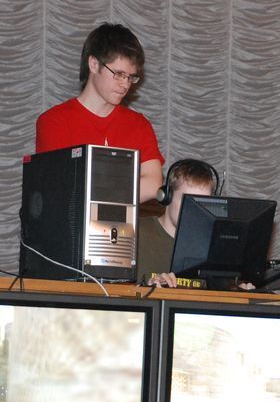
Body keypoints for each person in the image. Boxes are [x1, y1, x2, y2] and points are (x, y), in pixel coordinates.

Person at [35, 22, 164, 203]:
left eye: (130, 77)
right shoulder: (54, 121)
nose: (125, 84)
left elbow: (153, 184)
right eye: (118, 74)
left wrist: (97, 193)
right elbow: (59, 188)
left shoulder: (139, 124)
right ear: (94, 65)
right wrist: (120, 190)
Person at [136, 159, 217, 287]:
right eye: (188, 201)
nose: (194, 211)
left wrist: (237, 288)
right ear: (166, 196)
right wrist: (147, 287)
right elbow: (113, 289)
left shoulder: (211, 245)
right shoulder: (136, 233)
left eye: (202, 203)